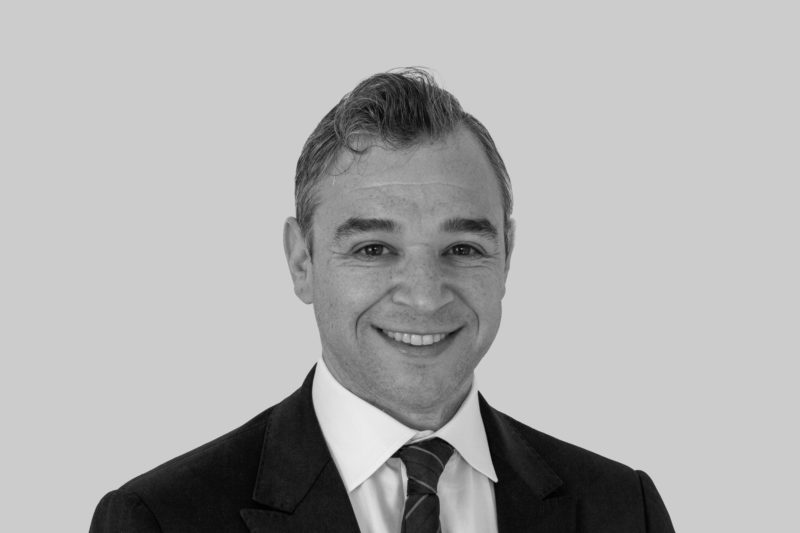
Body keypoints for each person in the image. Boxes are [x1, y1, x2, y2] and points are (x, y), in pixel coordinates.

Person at [90, 68, 675, 532]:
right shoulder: (161, 519)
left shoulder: (624, 511)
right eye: (373, 249)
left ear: (508, 257)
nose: (424, 296)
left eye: (464, 248)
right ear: (302, 262)